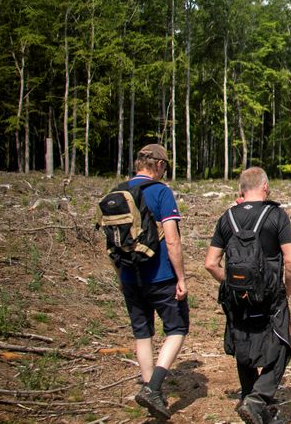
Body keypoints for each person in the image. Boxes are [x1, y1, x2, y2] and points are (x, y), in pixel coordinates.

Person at [204, 167, 291, 424]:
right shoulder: (276, 216)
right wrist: (285, 290)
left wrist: (233, 284)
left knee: (243, 343)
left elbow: (211, 263)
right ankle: (257, 400)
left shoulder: (227, 218)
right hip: (271, 293)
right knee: (282, 346)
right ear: (265, 186)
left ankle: (250, 398)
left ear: (240, 190)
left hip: (236, 297)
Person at [119, 144, 188, 420]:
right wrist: (181, 277)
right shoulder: (160, 192)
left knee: (142, 333)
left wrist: (120, 276)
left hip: (129, 275)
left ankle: (151, 390)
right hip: (160, 276)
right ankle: (155, 387)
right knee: (178, 327)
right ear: (158, 165)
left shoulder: (117, 192)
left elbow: (113, 242)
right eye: (165, 167)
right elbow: (171, 239)